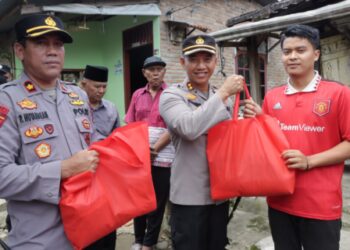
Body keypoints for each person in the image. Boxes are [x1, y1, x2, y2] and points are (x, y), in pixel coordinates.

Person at [244, 24, 350, 250]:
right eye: (286, 51)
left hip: (321, 205)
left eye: (300, 50)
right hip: (279, 201)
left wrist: (309, 161)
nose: (292, 57)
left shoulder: (339, 93)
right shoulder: (272, 97)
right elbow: (269, 143)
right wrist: (258, 120)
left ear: (316, 54)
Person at [0, 14, 99, 249]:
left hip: (88, 228)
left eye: (58, 44)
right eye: (41, 43)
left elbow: (93, 148)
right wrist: (62, 170)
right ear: (20, 50)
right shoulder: (7, 100)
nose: (52, 51)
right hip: (39, 240)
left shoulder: (78, 96)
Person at [159, 34, 244, 250]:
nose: (201, 66)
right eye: (193, 59)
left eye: (207, 59)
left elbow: (229, 139)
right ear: (182, 62)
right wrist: (225, 92)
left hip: (219, 195)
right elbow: (188, 128)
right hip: (189, 198)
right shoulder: (171, 95)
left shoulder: (219, 96)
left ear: (216, 62)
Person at [125, 56, 174, 250]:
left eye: (159, 69)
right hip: (140, 156)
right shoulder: (137, 95)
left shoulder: (171, 94)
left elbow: (174, 126)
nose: (155, 73)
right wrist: (140, 150)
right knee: (139, 199)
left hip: (164, 156)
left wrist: (153, 150)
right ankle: (138, 239)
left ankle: (149, 242)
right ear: (144, 73)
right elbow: (130, 124)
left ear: (164, 72)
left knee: (157, 201)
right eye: (151, 69)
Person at [80, 64, 120, 250]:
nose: (101, 91)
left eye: (104, 86)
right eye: (97, 86)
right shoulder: (74, 108)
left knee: (106, 222)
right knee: (85, 222)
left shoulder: (111, 109)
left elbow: (117, 138)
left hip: (105, 174)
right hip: (79, 173)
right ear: (83, 84)